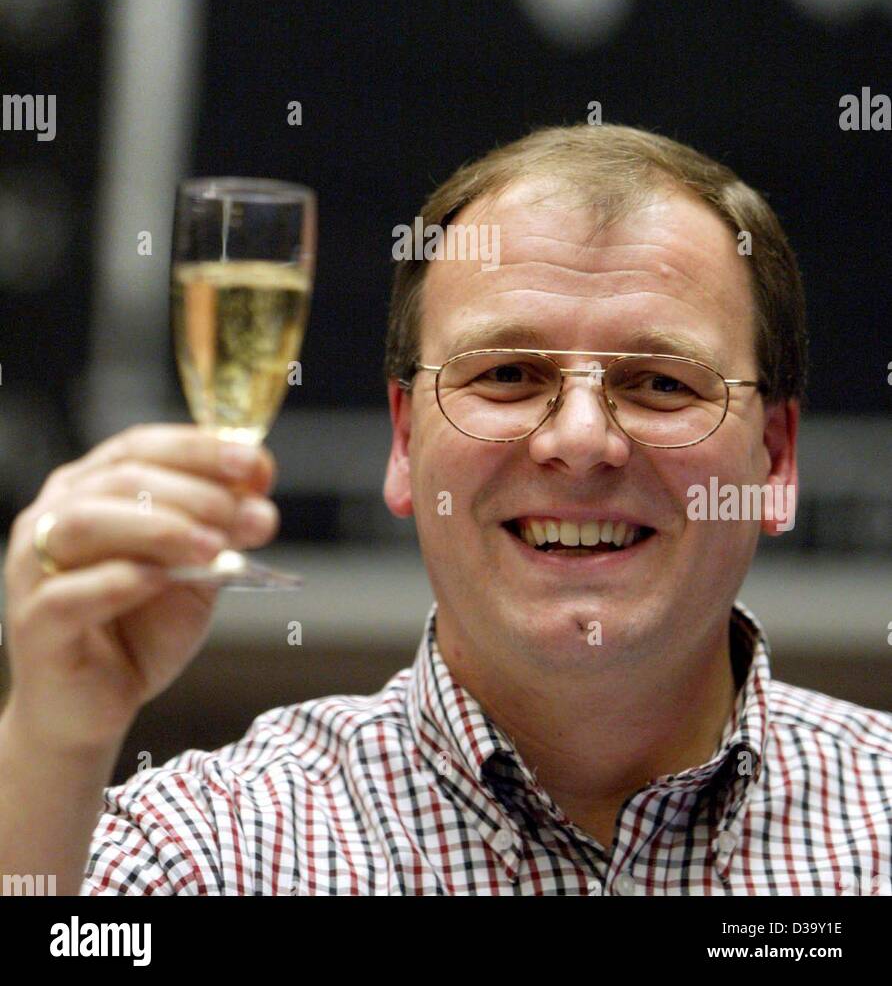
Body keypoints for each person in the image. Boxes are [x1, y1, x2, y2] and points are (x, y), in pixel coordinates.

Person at [1, 122, 890, 896]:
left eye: (660, 384)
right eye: (507, 375)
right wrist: (54, 737)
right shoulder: (210, 848)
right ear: (403, 441)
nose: (580, 440)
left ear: (774, 458)